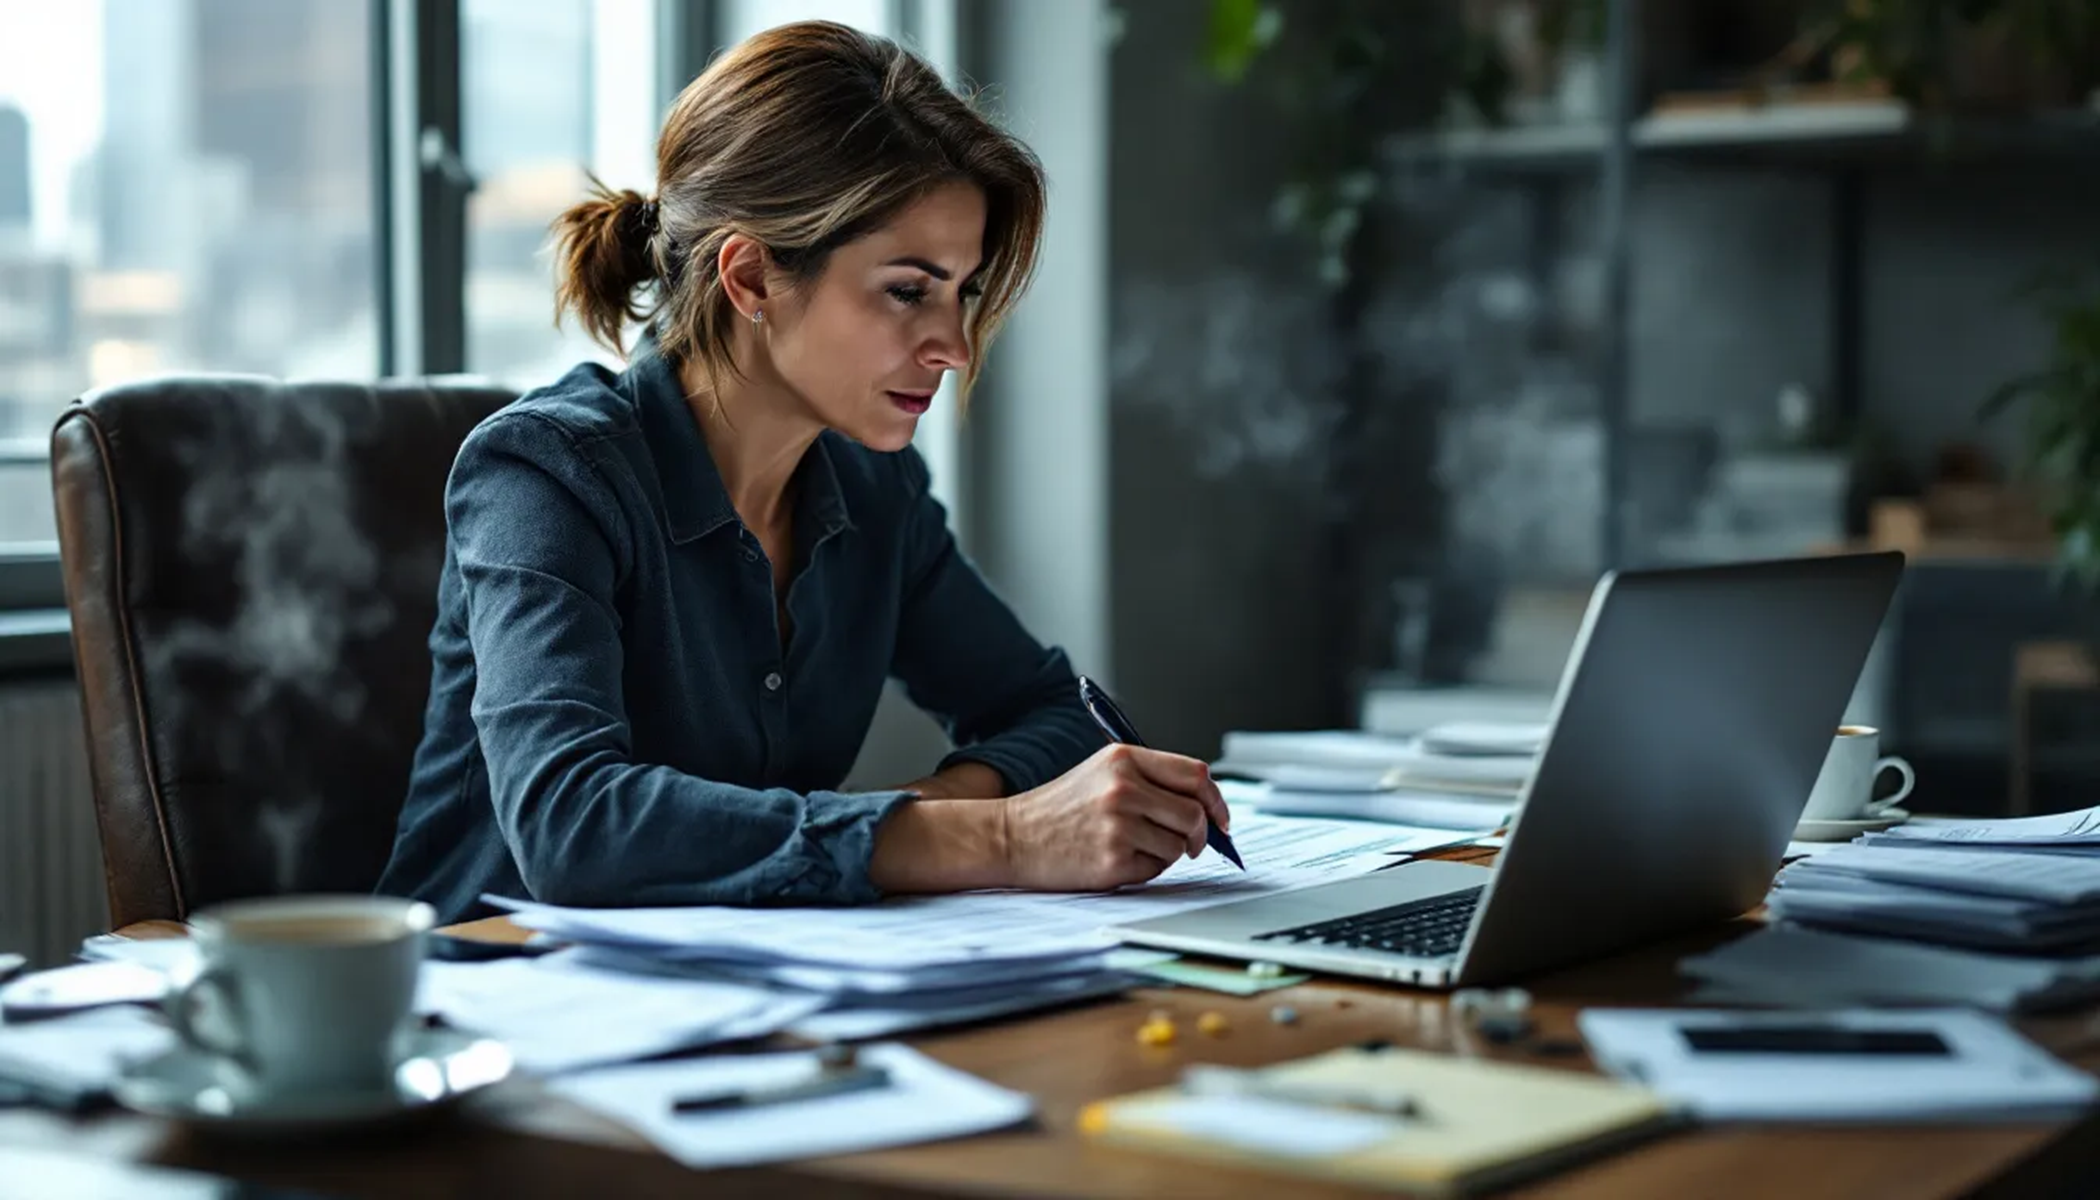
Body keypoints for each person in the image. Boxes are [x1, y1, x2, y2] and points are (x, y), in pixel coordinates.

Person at [378, 21, 1231, 923]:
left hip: (738, 998)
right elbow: (572, 827)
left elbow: (1059, 715)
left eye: (962, 291)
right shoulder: (546, 473)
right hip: (484, 1001)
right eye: (908, 289)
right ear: (749, 279)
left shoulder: (874, 490)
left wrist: (926, 817)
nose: (952, 346)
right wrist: (1005, 836)